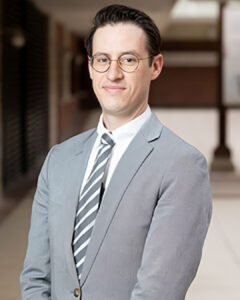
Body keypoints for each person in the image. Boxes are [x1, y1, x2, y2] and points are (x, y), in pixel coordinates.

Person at [20, 4, 212, 300]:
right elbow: (36, 276)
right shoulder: (58, 159)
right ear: (90, 66)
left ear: (156, 66)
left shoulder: (181, 165)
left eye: (129, 60)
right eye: (102, 59)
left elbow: (157, 291)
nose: (113, 73)